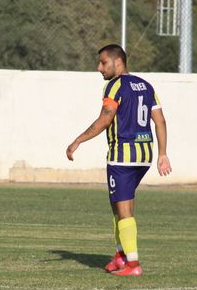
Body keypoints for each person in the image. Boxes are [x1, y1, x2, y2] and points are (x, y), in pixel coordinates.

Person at [66, 44, 172, 276]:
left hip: (122, 156)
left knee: (123, 211)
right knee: (119, 206)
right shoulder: (146, 86)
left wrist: (78, 140)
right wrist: (162, 154)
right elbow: (160, 121)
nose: (99, 68)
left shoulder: (114, 86)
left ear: (118, 62)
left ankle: (133, 265)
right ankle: (120, 256)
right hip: (144, 155)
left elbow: (105, 119)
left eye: (103, 63)